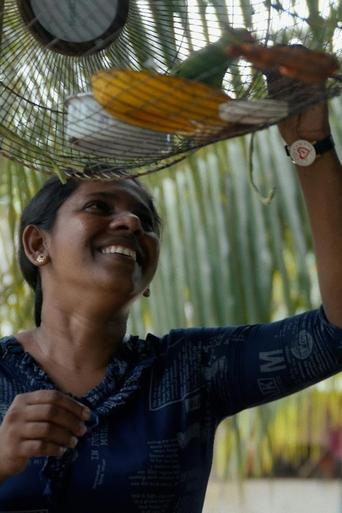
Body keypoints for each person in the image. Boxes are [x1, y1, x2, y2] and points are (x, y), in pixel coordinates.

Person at [0, 47, 341, 513]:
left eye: (144, 218)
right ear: (38, 245)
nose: (130, 223)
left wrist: (310, 144)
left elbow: (335, 334)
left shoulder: (190, 371)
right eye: (99, 206)